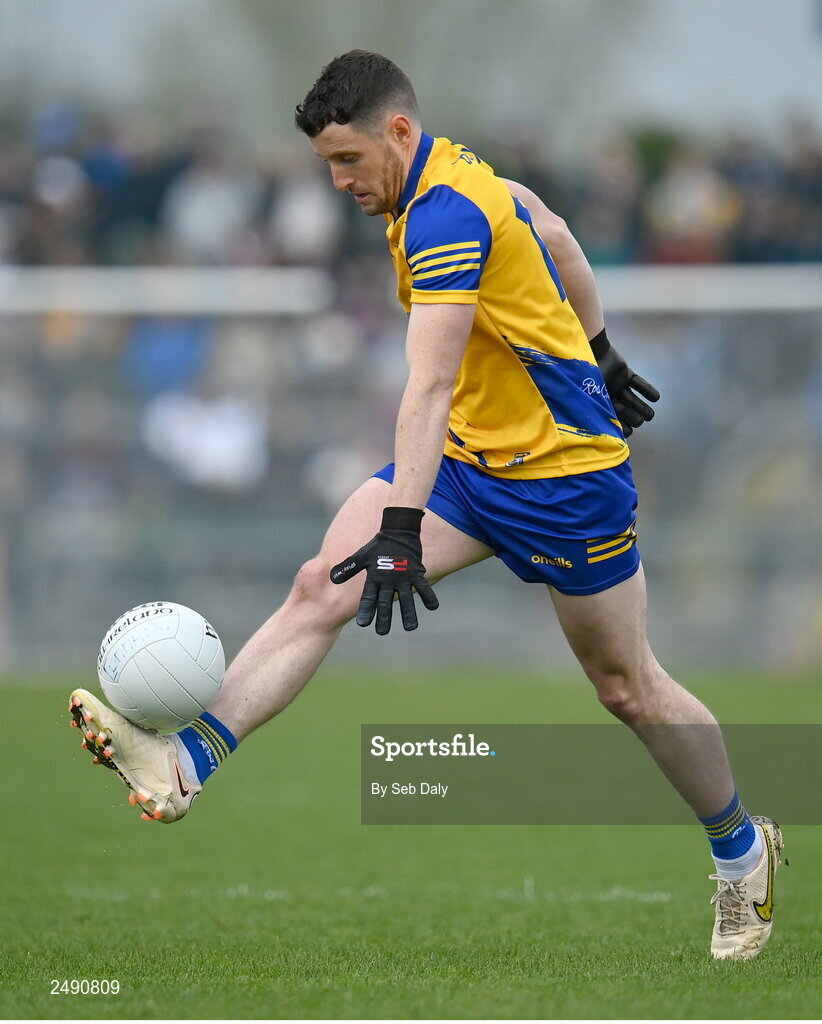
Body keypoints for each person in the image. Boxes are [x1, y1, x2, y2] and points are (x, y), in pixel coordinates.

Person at [68, 50, 783, 961]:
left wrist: (401, 530)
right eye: (328, 164)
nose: (339, 182)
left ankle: (740, 848)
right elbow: (556, 234)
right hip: (472, 462)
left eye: (349, 160)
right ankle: (184, 764)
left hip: (564, 480)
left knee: (627, 687)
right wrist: (598, 347)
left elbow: (430, 382)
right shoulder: (453, 177)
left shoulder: (445, 212)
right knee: (319, 586)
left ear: (398, 132)